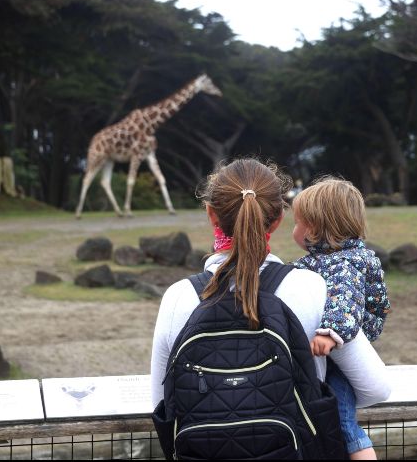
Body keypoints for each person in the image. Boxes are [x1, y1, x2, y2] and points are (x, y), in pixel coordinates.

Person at [149, 159, 391, 455]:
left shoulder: (177, 297)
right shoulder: (310, 287)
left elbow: (163, 405)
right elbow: (376, 388)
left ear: (212, 214)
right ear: (277, 220)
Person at [291, 177, 391, 461]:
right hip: (339, 352)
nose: (294, 230)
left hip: (341, 357)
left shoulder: (345, 263)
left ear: (314, 228)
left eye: (297, 223)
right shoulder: (331, 258)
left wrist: (330, 333)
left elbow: (344, 300)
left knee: (343, 422)